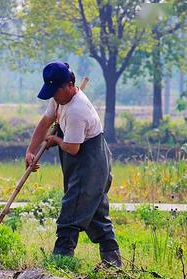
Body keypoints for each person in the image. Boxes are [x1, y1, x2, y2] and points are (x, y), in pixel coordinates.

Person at [25, 61, 121, 267]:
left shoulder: (77, 110)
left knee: (72, 209)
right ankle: (113, 263)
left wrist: (55, 140)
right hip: (81, 158)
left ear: (69, 85)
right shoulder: (58, 99)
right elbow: (45, 122)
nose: (53, 96)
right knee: (95, 212)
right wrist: (31, 150)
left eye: (55, 91)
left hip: (90, 162)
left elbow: (72, 148)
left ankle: (60, 261)